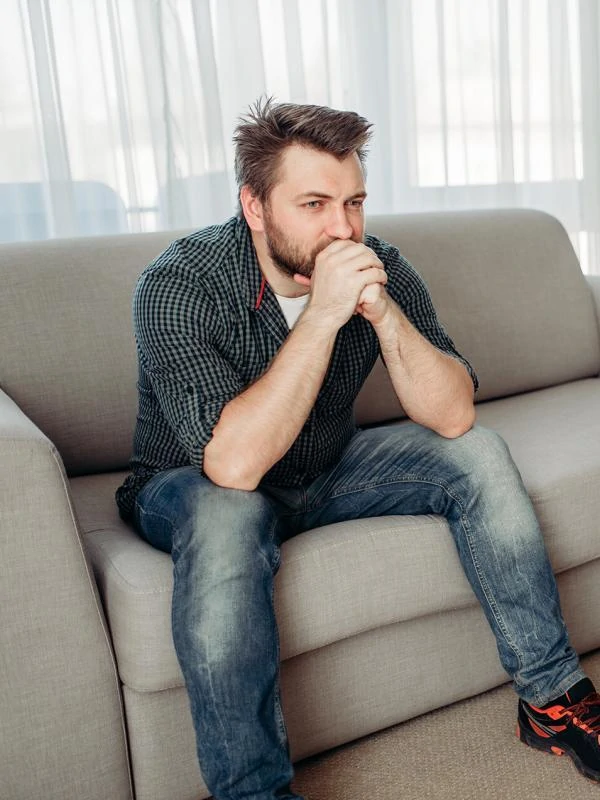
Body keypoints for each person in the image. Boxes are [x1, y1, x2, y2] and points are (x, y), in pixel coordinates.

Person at [116, 98, 600, 799]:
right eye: (313, 203)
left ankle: (552, 702)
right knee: (226, 515)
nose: (342, 228)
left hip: (326, 466)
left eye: (354, 202)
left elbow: (454, 414)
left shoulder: (381, 265)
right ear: (254, 206)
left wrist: (383, 313)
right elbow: (232, 465)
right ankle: (253, 791)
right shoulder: (177, 285)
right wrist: (323, 316)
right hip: (190, 482)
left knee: (479, 454)